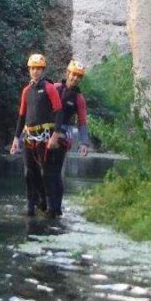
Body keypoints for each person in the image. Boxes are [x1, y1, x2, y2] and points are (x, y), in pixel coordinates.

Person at [9, 53, 64, 217]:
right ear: (29, 70)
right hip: (28, 137)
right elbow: (21, 116)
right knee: (29, 172)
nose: (35, 72)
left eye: (38, 69)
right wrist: (15, 139)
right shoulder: (26, 91)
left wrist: (55, 135)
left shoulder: (49, 88)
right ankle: (32, 206)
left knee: (47, 173)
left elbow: (59, 112)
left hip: (45, 137)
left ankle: (50, 206)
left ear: (43, 70)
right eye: (33, 68)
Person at [46, 59, 90, 217]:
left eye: (79, 76)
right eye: (74, 74)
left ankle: (56, 207)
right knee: (41, 170)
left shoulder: (79, 99)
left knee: (55, 172)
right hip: (46, 129)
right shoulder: (55, 88)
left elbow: (82, 122)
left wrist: (84, 142)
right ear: (67, 73)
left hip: (63, 133)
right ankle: (43, 202)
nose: (75, 78)